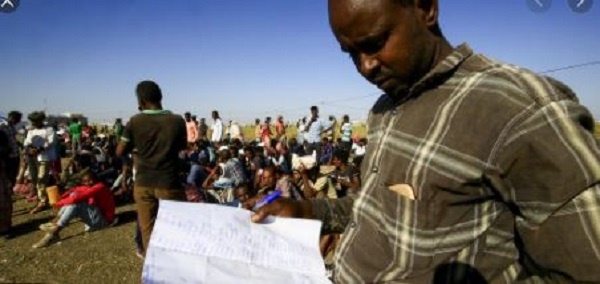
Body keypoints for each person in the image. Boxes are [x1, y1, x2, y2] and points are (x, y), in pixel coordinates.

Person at [252, 0, 600, 282]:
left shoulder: (519, 111)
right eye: (351, 53)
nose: (365, 66)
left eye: (374, 43)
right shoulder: (386, 107)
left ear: (426, 9)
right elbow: (375, 208)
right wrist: (310, 210)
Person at [116, 80, 187, 255]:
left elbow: (120, 151)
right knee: (177, 227)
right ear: (161, 97)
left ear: (140, 102)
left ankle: (154, 269)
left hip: (143, 183)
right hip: (169, 182)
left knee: (148, 231)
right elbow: (181, 147)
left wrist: (136, 154)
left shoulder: (135, 121)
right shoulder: (177, 121)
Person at [32, 171, 117, 248]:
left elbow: (76, 198)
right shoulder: (92, 186)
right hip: (97, 218)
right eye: (85, 182)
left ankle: (54, 232)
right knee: (74, 196)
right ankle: (55, 224)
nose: (87, 183)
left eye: (88, 181)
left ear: (93, 180)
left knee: (76, 203)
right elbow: (75, 190)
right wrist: (61, 197)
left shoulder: (99, 187)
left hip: (103, 222)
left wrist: (58, 203)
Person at [24, 111, 57, 214]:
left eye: (36, 121)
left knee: (41, 179)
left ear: (41, 120)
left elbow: (50, 142)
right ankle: (41, 198)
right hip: (32, 158)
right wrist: (29, 149)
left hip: (44, 157)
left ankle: (42, 201)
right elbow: (27, 142)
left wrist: (38, 149)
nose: (34, 123)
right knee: (34, 179)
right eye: (33, 121)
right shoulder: (31, 130)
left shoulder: (49, 129)